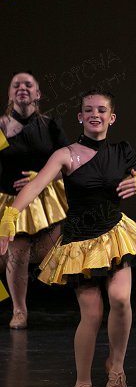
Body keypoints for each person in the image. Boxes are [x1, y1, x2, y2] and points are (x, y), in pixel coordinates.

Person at [0, 90, 136, 387]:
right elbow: (36, 185)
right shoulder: (65, 155)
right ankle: (83, 383)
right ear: (80, 117)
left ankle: (117, 366)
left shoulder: (122, 150)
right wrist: (10, 215)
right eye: (88, 110)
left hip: (114, 235)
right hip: (80, 243)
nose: (95, 114)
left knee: (121, 300)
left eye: (101, 110)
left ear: (111, 118)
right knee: (92, 313)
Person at [0, 72, 70, 329]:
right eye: (16, 85)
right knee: (18, 250)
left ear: (37, 93)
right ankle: (19, 310)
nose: (22, 88)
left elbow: (69, 162)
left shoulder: (50, 125)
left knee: (45, 252)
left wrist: (41, 176)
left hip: (46, 199)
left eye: (28, 84)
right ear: (10, 94)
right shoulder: (2, 126)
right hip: (11, 199)